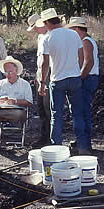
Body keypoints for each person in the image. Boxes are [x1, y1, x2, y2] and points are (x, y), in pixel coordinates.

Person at [38, 8, 89, 155]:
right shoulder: (73, 34)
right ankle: (82, 146)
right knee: (77, 114)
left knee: (56, 115)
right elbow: (81, 57)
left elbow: (45, 63)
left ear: (47, 22)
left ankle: (57, 148)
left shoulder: (47, 38)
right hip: (74, 78)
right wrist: (76, 71)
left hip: (57, 79)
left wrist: (42, 82)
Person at [66, 17, 99, 152]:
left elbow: (88, 62)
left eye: (72, 30)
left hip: (87, 79)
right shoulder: (87, 41)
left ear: (78, 29)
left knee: (80, 111)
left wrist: (79, 78)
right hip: (89, 78)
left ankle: (83, 145)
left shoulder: (85, 42)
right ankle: (84, 141)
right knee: (83, 111)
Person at [27, 13, 50, 148]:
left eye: (35, 27)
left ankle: (49, 138)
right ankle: (44, 136)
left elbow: (48, 61)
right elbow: (40, 60)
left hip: (48, 74)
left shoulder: (50, 36)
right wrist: (38, 75)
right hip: (41, 74)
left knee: (47, 107)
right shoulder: (40, 37)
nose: (35, 30)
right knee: (41, 107)